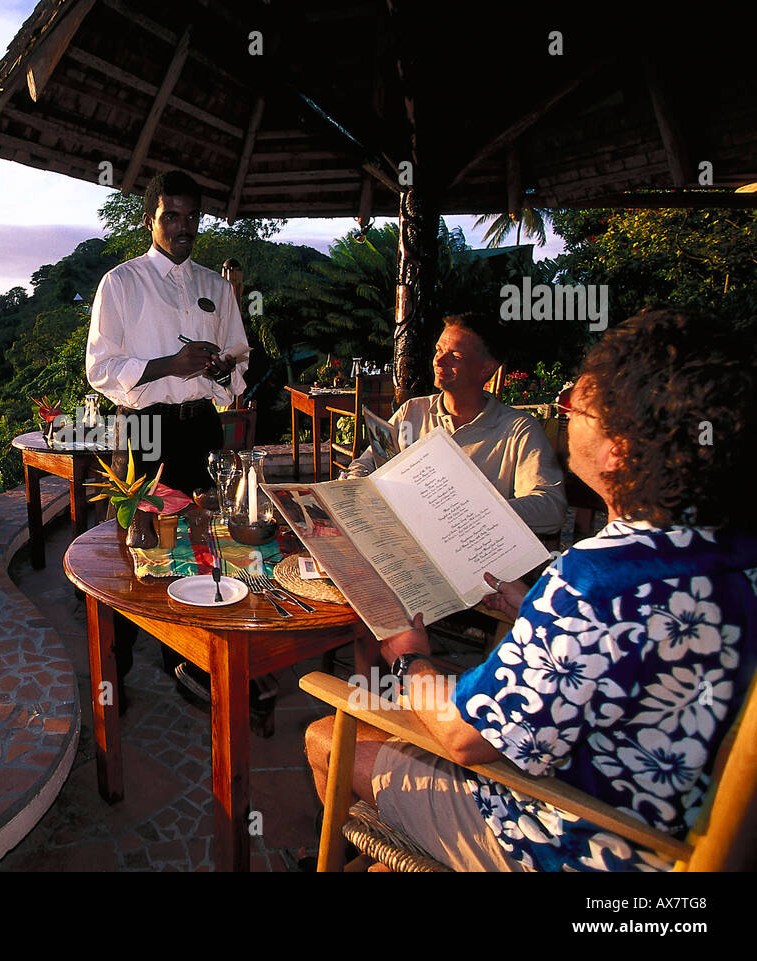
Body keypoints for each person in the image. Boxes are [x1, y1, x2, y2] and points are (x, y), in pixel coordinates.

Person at [305, 308, 757, 871]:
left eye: (574, 406)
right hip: (645, 815)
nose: (564, 415)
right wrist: (533, 610)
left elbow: (465, 738)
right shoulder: (725, 560)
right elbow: (616, 661)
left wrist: (409, 658)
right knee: (386, 720)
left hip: (564, 839)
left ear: (619, 449)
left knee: (328, 734)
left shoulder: (595, 583)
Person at [85, 170, 259, 714]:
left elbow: (241, 357)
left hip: (201, 426)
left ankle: (188, 660)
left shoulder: (214, 285)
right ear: (150, 219)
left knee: (201, 540)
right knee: (138, 546)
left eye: (191, 217)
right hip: (144, 430)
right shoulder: (122, 282)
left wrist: (220, 366)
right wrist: (167, 364)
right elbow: (100, 368)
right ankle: (119, 669)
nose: (183, 227)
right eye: (171, 216)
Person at [347, 312, 566, 537]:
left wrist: (469, 512)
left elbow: (550, 508)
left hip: (476, 558)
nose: (439, 361)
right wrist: (352, 489)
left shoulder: (517, 430)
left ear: (486, 368)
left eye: (455, 356)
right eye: (439, 350)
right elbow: (367, 463)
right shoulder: (413, 412)